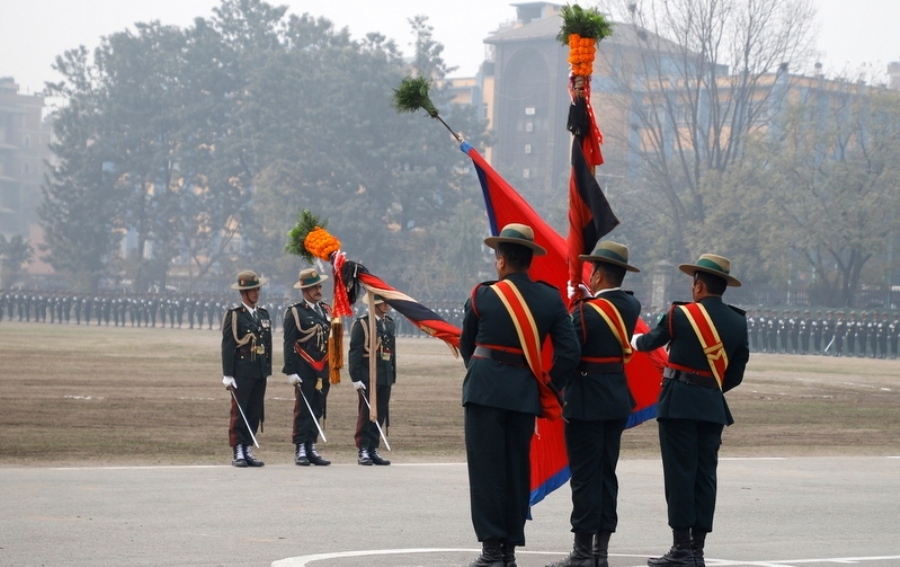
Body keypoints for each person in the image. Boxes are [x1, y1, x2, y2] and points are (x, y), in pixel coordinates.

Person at [459, 223, 580, 567]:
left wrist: (482, 373)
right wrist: (549, 385)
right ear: (530, 261)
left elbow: (468, 345)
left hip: (484, 391)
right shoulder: (549, 297)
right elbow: (568, 352)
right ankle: (509, 551)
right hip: (524, 394)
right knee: (515, 471)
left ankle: (492, 551)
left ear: (501, 260)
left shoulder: (483, 295)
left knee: (486, 473)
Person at [631, 254, 749, 567]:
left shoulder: (680, 314)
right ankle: (697, 550)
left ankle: (681, 548)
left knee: (680, 475)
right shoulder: (738, 321)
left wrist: (632, 339)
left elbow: (651, 342)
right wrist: (708, 390)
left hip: (679, 403)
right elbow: (735, 373)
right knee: (705, 476)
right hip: (711, 405)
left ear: (698, 285)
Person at [547, 241, 642, 567]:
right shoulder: (631, 306)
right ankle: (600, 552)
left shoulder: (585, 311)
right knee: (606, 475)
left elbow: (569, 352)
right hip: (616, 399)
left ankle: (583, 552)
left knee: (586, 477)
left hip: (587, 400)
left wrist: (551, 386)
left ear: (599, 275)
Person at [221, 270, 272, 468]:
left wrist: (267, 369)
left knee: (254, 411)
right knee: (239, 411)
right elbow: (227, 345)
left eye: (258, 288)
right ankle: (238, 449)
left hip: (259, 371)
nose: (257, 292)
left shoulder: (263, 315)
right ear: (243, 292)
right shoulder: (235, 316)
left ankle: (248, 447)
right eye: (253, 289)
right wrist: (227, 374)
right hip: (242, 371)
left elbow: (267, 345)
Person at [283, 268, 332, 467]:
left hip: (323, 367)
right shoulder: (295, 312)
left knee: (318, 408)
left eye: (319, 286)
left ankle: (311, 445)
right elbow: (289, 343)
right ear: (305, 290)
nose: (319, 290)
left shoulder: (327, 310)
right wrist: (291, 370)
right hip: (304, 366)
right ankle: (301, 447)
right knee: (303, 409)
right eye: (314, 287)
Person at [349, 292, 396, 466]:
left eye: (386, 301)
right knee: (366, 413)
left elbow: (391, 352)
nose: (386, 304)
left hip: (384, 375)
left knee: (380, 413)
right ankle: (363, 448)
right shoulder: (362, 324)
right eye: (381, 302)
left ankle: (373, 447)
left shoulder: (389, 324)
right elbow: (354, 352)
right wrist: (356, 378)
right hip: (368, 375)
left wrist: (392, 374)